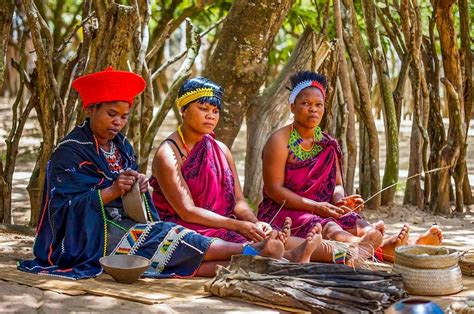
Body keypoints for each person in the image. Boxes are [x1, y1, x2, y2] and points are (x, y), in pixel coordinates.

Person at [17, 68, 287, 279]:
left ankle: (252, 258)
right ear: (91, 108)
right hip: (86, 237)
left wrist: (139, 186)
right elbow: (62, 208)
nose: (118, 122)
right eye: (112, 114)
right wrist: (113, 190)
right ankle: (250, 252)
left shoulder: (121, 146)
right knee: (162, 239)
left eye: (124, 117)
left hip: (125, 224)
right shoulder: (71, 151)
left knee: (159, 244)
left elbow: (130, 194)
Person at [150, 77, 380, 265]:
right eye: (203, 109)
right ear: (183, 110)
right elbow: (187, 211)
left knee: (269, 236)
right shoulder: (168, 154)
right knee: (232, 245)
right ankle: (273, 255)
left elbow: (238, 201)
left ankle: (352, 253)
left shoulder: (220, 149)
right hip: (185, 227)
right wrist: (238, 225)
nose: (211, 116)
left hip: (222, 222)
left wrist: (253, 221)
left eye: (215, 110)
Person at [257, 71, 442, 262]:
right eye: (306, 104)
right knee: (327, 226)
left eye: (318, 105)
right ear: (292, 107)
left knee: (356, 221)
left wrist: (339, 201)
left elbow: (337, 184)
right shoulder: (279, 141)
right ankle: (370, 247)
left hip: (324, 208)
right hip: (285, 211)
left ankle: (391, 247)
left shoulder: (327, 143)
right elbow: (273, 190)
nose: (313, 109)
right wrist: (318, 207)